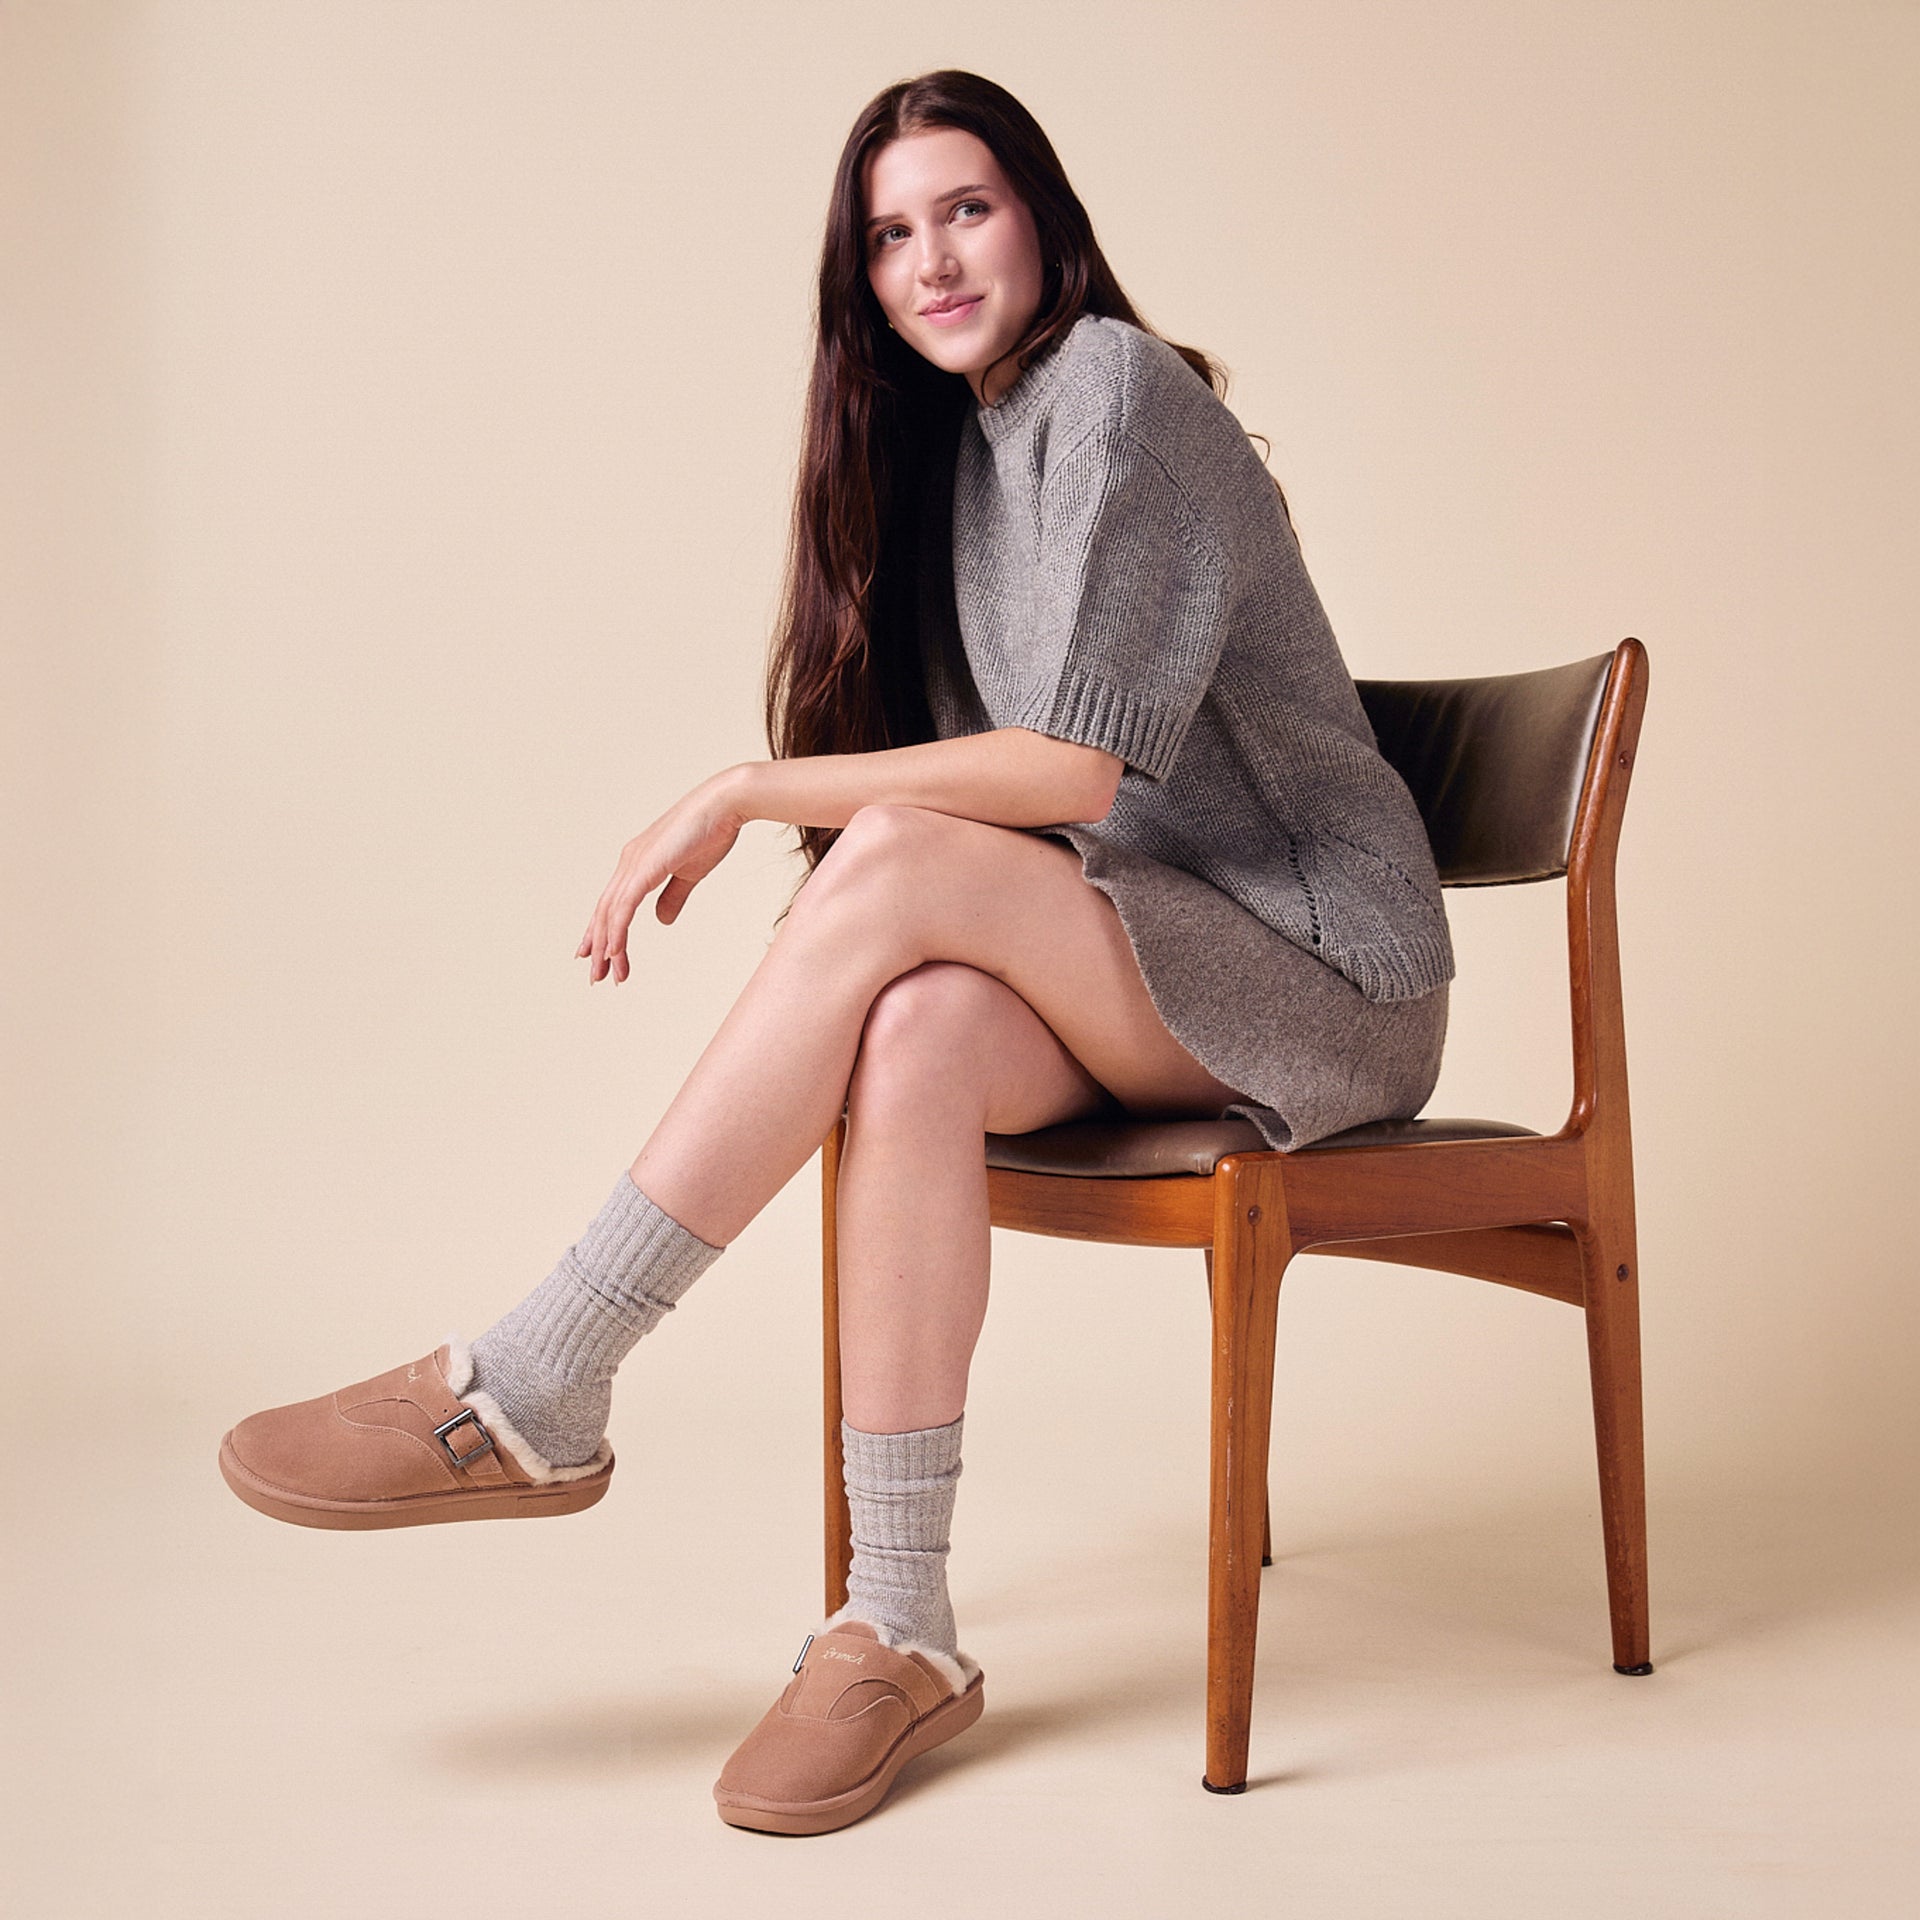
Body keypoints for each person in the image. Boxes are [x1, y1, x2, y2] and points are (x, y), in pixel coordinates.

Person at [216, 68, 1456, 1835]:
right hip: (1155, 953)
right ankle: (901, 1623)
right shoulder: (958, 451)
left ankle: (540, 1376)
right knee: (915, 1031)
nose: (932, 260)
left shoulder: (1119, 391)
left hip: (1325, 979)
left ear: (1041, 213)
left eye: (966, 210)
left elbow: (1066, 774)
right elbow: (1034, 817)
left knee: (885, 866)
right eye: (890, 235)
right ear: (858, 279)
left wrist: (743, 786)